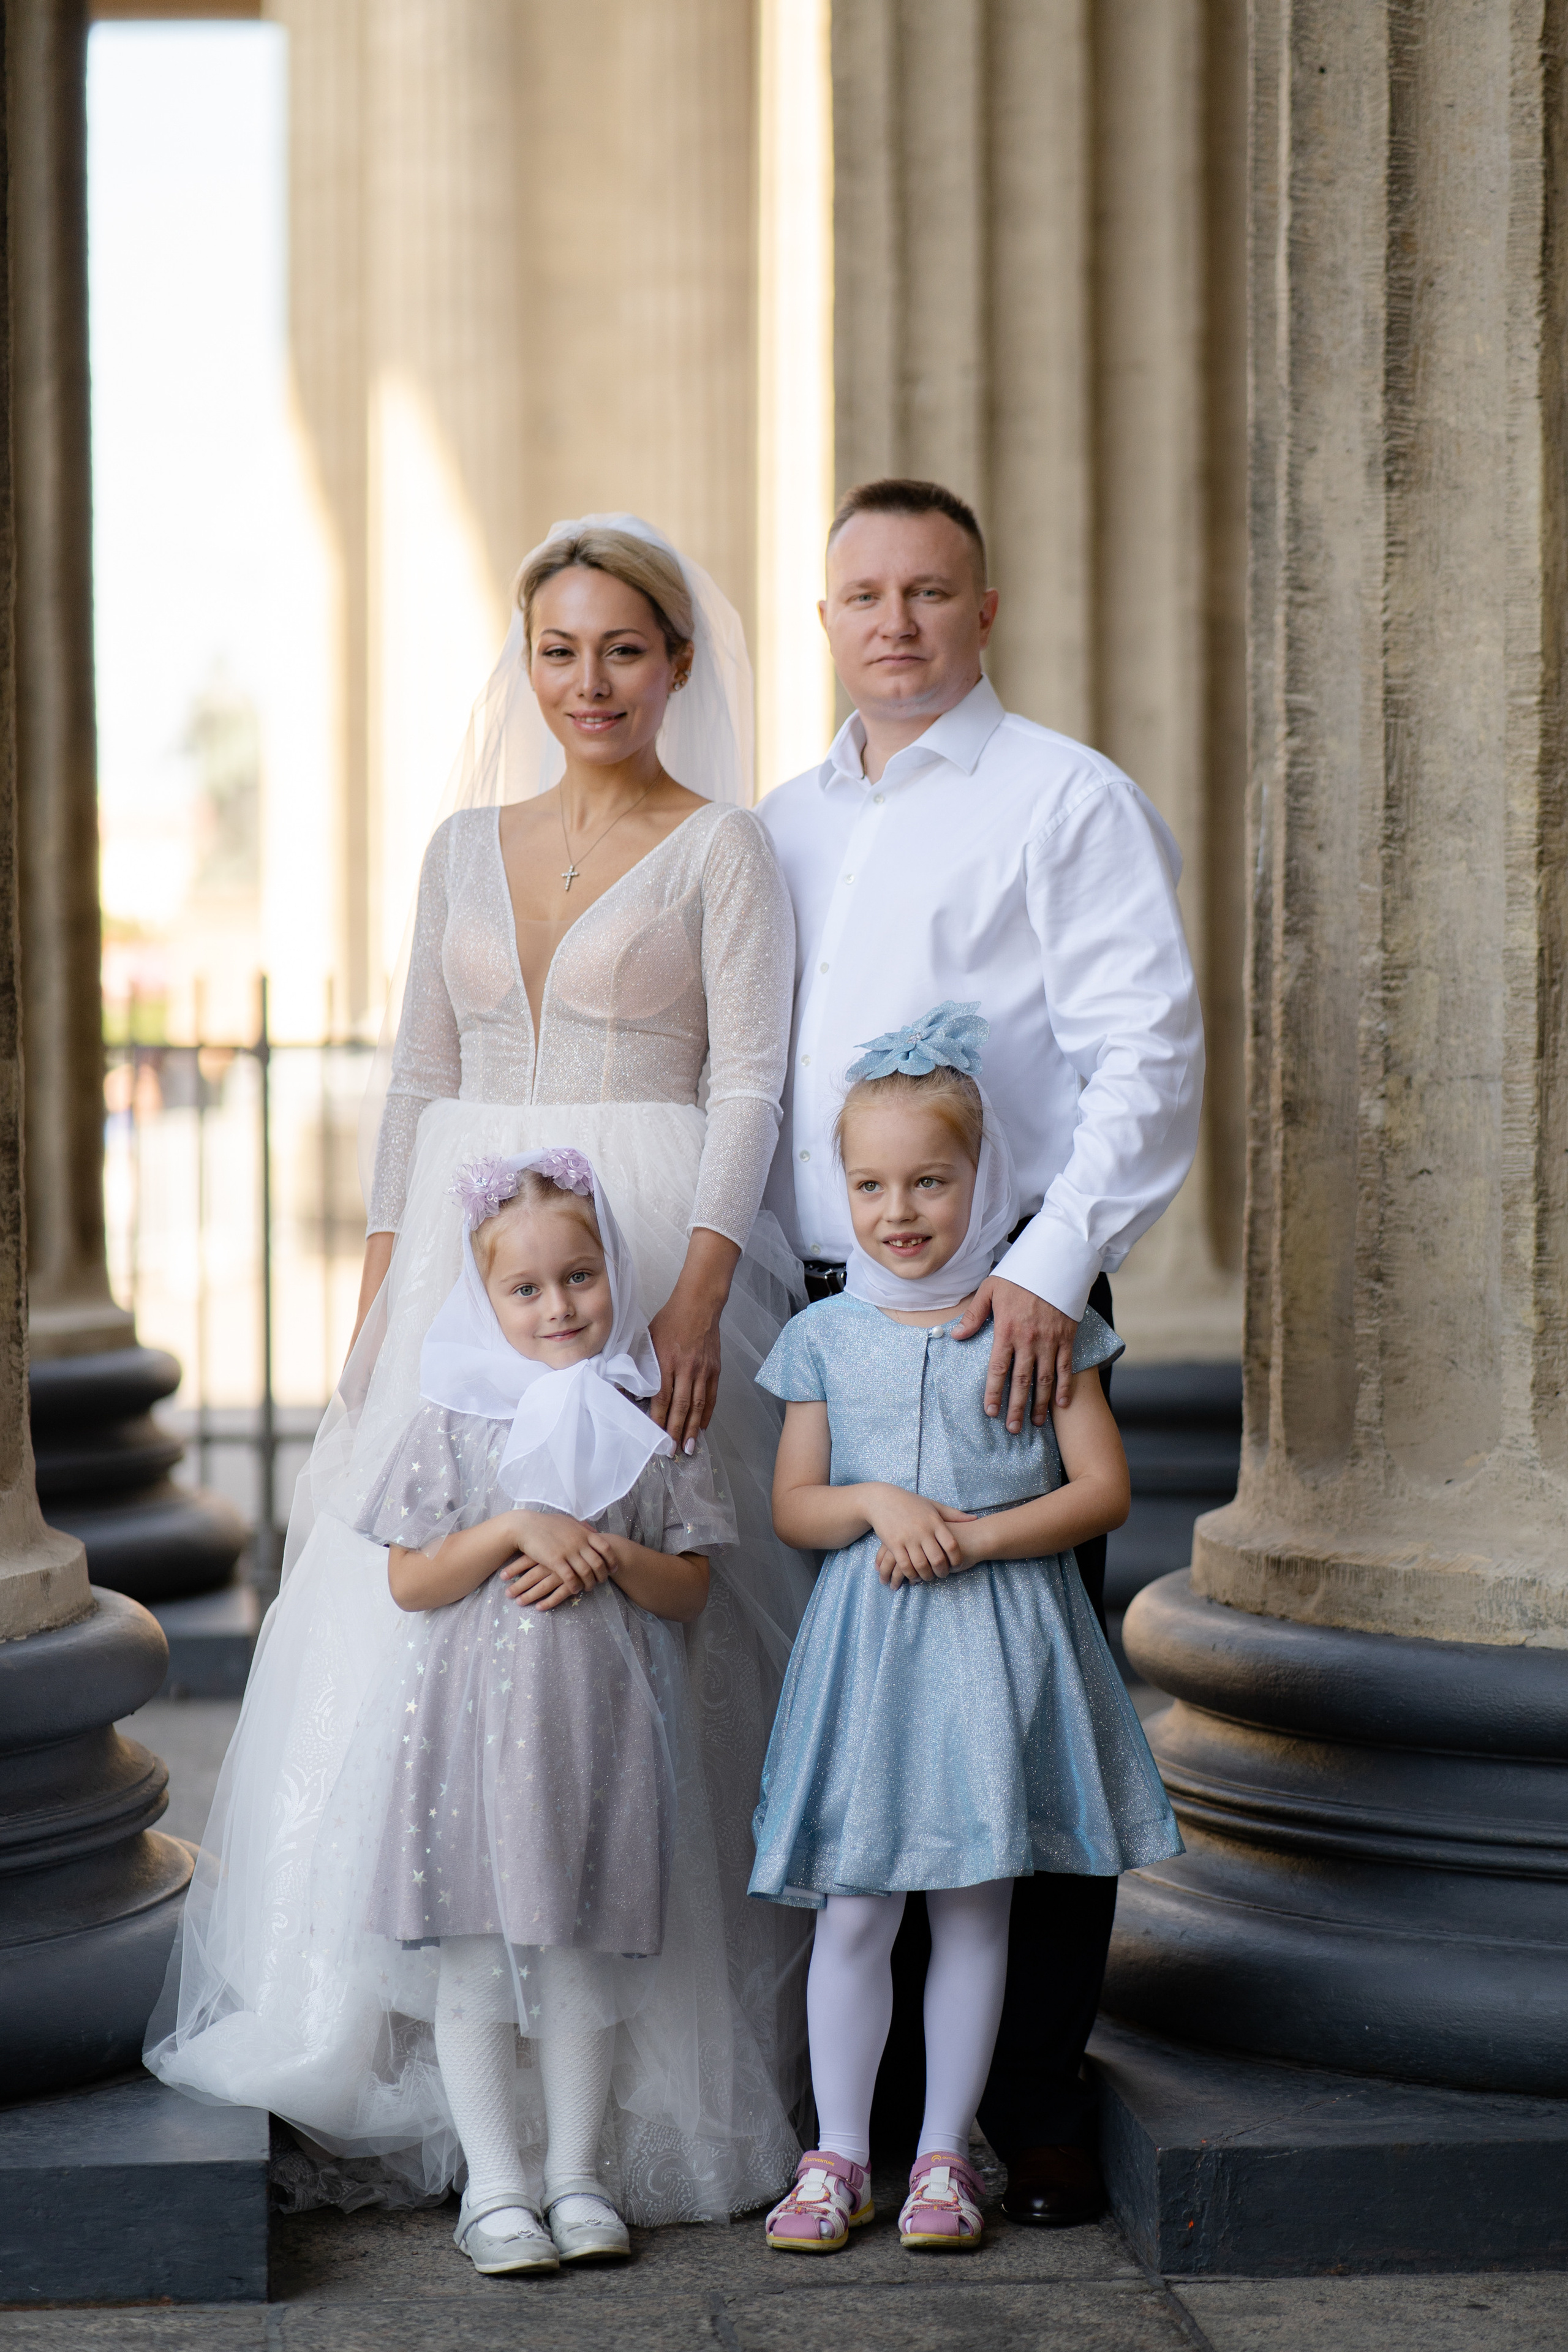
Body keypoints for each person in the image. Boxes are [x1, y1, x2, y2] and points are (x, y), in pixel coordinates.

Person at [147, 518, 815, 2225]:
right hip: (470, 1250)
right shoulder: (459, 845)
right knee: (421, 1622)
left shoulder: (723, 847)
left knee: (656, 1621)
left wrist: (698, 1292)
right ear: (526, 665)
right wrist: (380, 1307)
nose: (588, 682)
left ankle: (642, 2082)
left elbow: (749, 1083)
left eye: (623, 649)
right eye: (559, 649)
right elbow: (414, 1077)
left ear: (678, 664)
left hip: (646, 1247)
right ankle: (417, 2024)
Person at [758, 478, 1204, 2226]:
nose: (896, 623)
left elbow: (1143, 1058)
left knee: (1034, 1694)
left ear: (984, 609)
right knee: (867, 1710)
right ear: (825, 620)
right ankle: (849, 2120)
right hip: (834, 1312)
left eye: (929, 592)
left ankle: (1032, 2097)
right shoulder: (784, 823)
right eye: (863, 594)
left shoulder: (1064, 802)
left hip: (1013, 1307)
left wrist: (1052, 1267)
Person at [749, 1008, 1180, 2254]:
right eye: (871, 1184)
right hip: (873, 1655)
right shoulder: (823, 1338)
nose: (900, 1211)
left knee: (978, 1907)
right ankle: (837, 2153)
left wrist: (980, 1534)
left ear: (981, 1179)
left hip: (999, 1646)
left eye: (930, 1181)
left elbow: (1099, 1491)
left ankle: (947, 2156)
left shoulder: (1037, 1325)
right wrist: (879, 1504)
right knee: (856, 1910)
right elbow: (794, 1503)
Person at [341, 1147, 750, 2272]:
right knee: (475, 1955)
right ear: (485, 1298)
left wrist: (610, 1554)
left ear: (612, 1271)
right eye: (524, 1289)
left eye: (580, 1277)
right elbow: (413, 1580)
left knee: (580, 1956)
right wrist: (518, 1528)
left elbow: (693, 1587)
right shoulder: (453, 1417)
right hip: (472, 1738)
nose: (558, 1306)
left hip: (600, 1735)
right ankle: (499, 2187)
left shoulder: (650, 1414)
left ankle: (576, 2177)